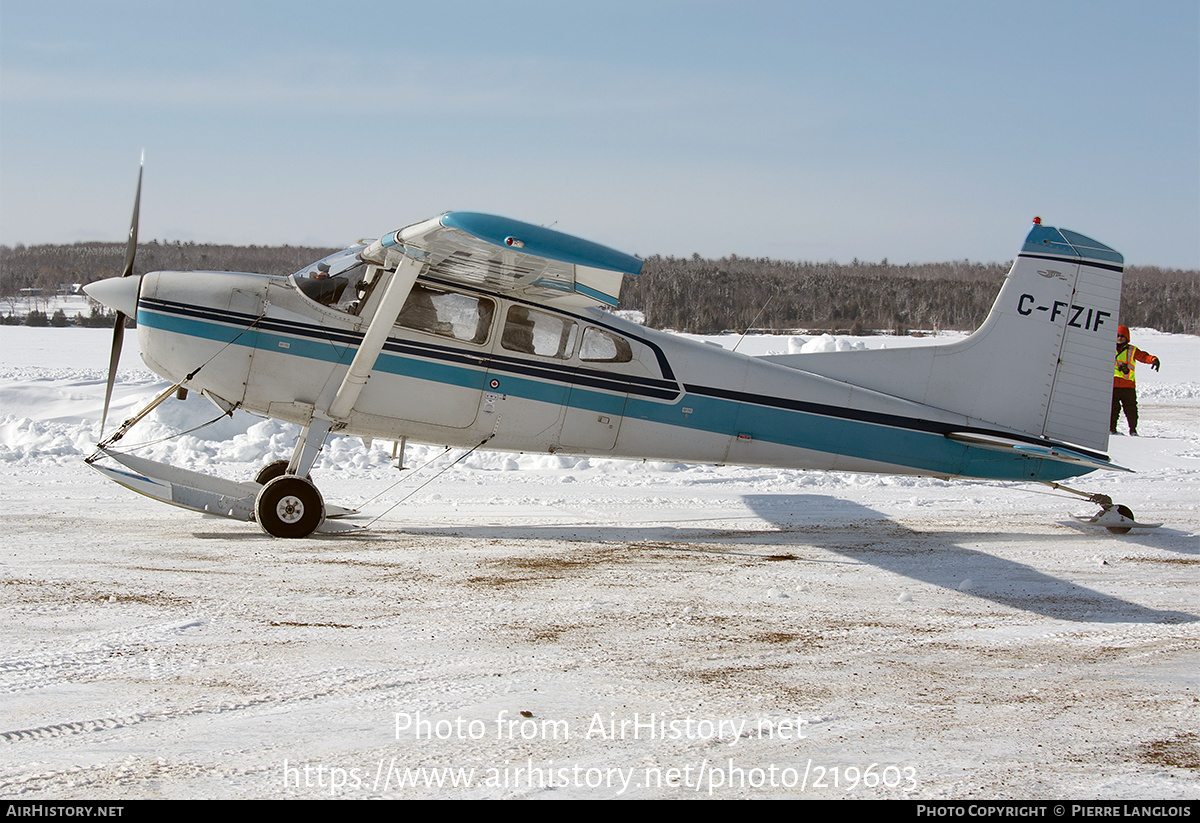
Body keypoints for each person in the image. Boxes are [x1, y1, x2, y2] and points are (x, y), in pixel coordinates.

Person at [1111, 325, 1161, 436]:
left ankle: (1133, 430)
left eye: (1122, 336)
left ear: (1127, 337)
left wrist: (1153, 359)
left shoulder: (1132, 350)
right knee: (1113, 410)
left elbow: (1144, 357)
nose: (1119, 338)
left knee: (1131, 410)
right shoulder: (1109, 348)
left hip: (1128, 386)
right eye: (1118, 335)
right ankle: (1112, 430)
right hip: (1112, 385)